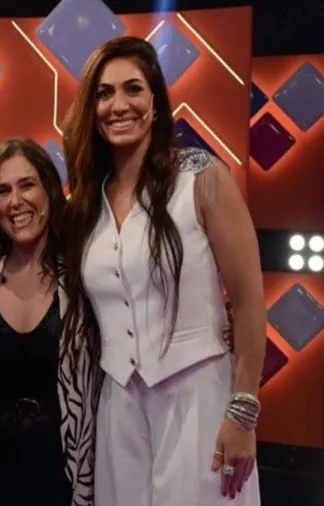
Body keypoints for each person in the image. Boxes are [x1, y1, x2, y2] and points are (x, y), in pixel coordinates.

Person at [60, 36, 265, 505]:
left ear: (155, 103)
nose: (119, 105)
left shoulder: (202, 178)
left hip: (199, 400)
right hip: (118, 410)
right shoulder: (85, 205)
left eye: (133, 88)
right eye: (104, 93)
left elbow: (249, 301)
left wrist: (243, 411)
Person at [0, 138, 97, 506]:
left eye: (27, 185)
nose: (15, 201)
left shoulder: (83, 270)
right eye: (3, 191)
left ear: (50, 189)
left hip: (61, 470)